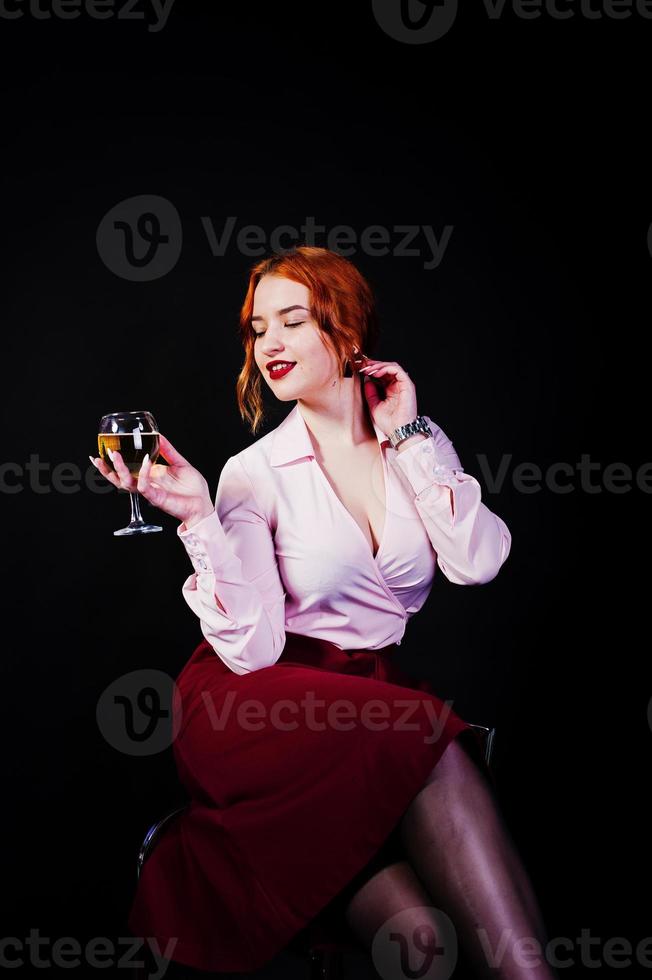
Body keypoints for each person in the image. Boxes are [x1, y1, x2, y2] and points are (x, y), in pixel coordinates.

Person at [92, 245, 556, 979]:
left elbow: (480, 561)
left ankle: (284, 859)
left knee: (420, 943)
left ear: (346, 330)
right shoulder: (253, 471)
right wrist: (197, 519)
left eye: (291, 321)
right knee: (430, 735)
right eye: (256, 329)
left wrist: (408, 436)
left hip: (364, 704)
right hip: (254, 699)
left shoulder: (418, 444)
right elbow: (252, 647)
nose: (268, 344)